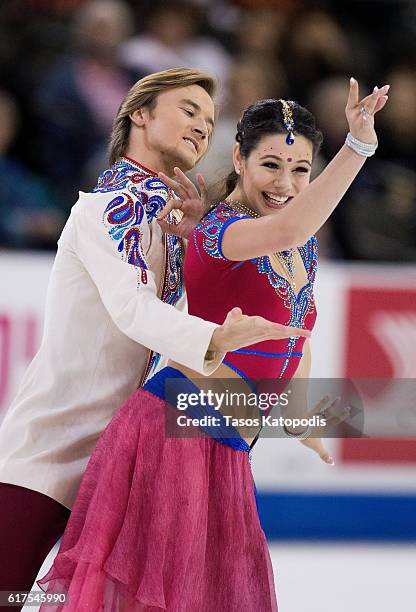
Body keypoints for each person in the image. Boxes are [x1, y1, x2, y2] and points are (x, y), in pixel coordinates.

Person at [36, 78, 389, 610]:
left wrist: (308, 422)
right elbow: (291, 227)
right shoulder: (221, 230)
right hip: (174, 433)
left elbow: (297, 336)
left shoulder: (300, 246)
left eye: (300, 170)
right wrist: (357, 146)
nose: (286, 183)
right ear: (239, 159)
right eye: (270, 164)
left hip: (223, 449)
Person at [0, 68, 307, 602]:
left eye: (210, 121)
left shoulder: (176, 226)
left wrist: (313, 415)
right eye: (188, 110)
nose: (201, 127)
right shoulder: (100, 210)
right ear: (139, 113)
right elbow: (132, 310)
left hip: (128, 460)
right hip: (53, 452)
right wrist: (217, 338)